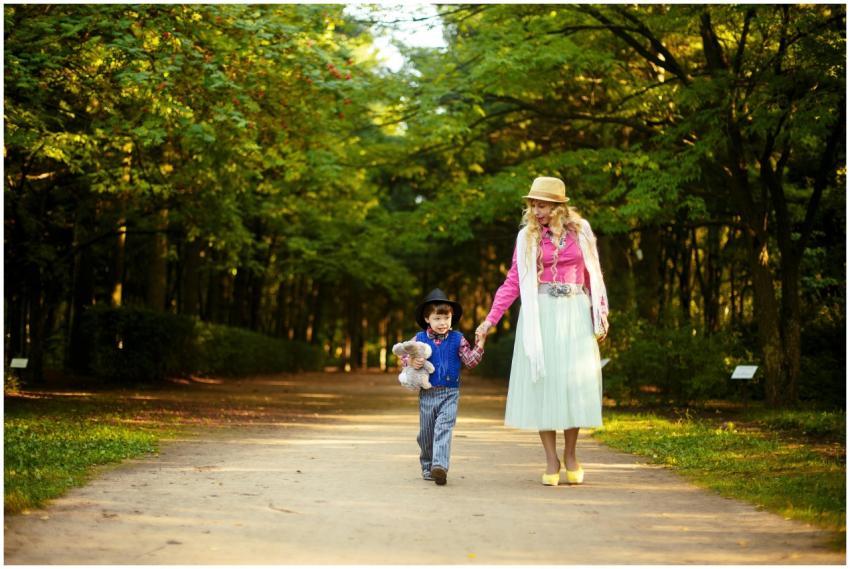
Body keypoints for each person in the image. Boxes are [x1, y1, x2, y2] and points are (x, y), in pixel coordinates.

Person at [475, 177, 609, 486]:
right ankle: (551, 458)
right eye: (533, 204)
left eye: (543, 205)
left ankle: (572, 454)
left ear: (559, 206)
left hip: (575, 312)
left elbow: (593, 274)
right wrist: (489, 321)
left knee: (573, 384)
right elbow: (513, 281)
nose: (537, 210)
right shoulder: (527, 238)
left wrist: (599, 314)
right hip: (542, 314)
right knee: (544, 383)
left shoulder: (582, 232)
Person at [397, 288, 485, 486]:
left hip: (450, 393)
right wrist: (411, 362)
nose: (443, 323)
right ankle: (428, 465)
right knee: (427, 434)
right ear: (428, 319)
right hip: (427, 393)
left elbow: (470, 362)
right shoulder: (419, 339)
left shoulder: (458, 339)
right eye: (438, 318)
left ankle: (440, 466)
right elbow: (404, 355)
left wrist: (480, 344)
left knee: (444, 428)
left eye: (447, 318)